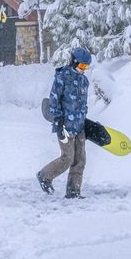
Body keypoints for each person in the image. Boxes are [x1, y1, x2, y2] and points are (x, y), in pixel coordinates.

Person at [37, 47, 91, 199]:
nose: (83, 69)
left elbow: (82, 104)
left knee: (80, 159)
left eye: (86, 67)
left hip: (79, 126)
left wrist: (85, 121)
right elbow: (54, 100)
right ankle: (44, 175)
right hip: (65, 125)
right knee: (67, 158)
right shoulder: (62, 77)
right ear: (73, 62)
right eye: (81, 66)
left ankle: (73, 191)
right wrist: (58, 121)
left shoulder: (84, 81)